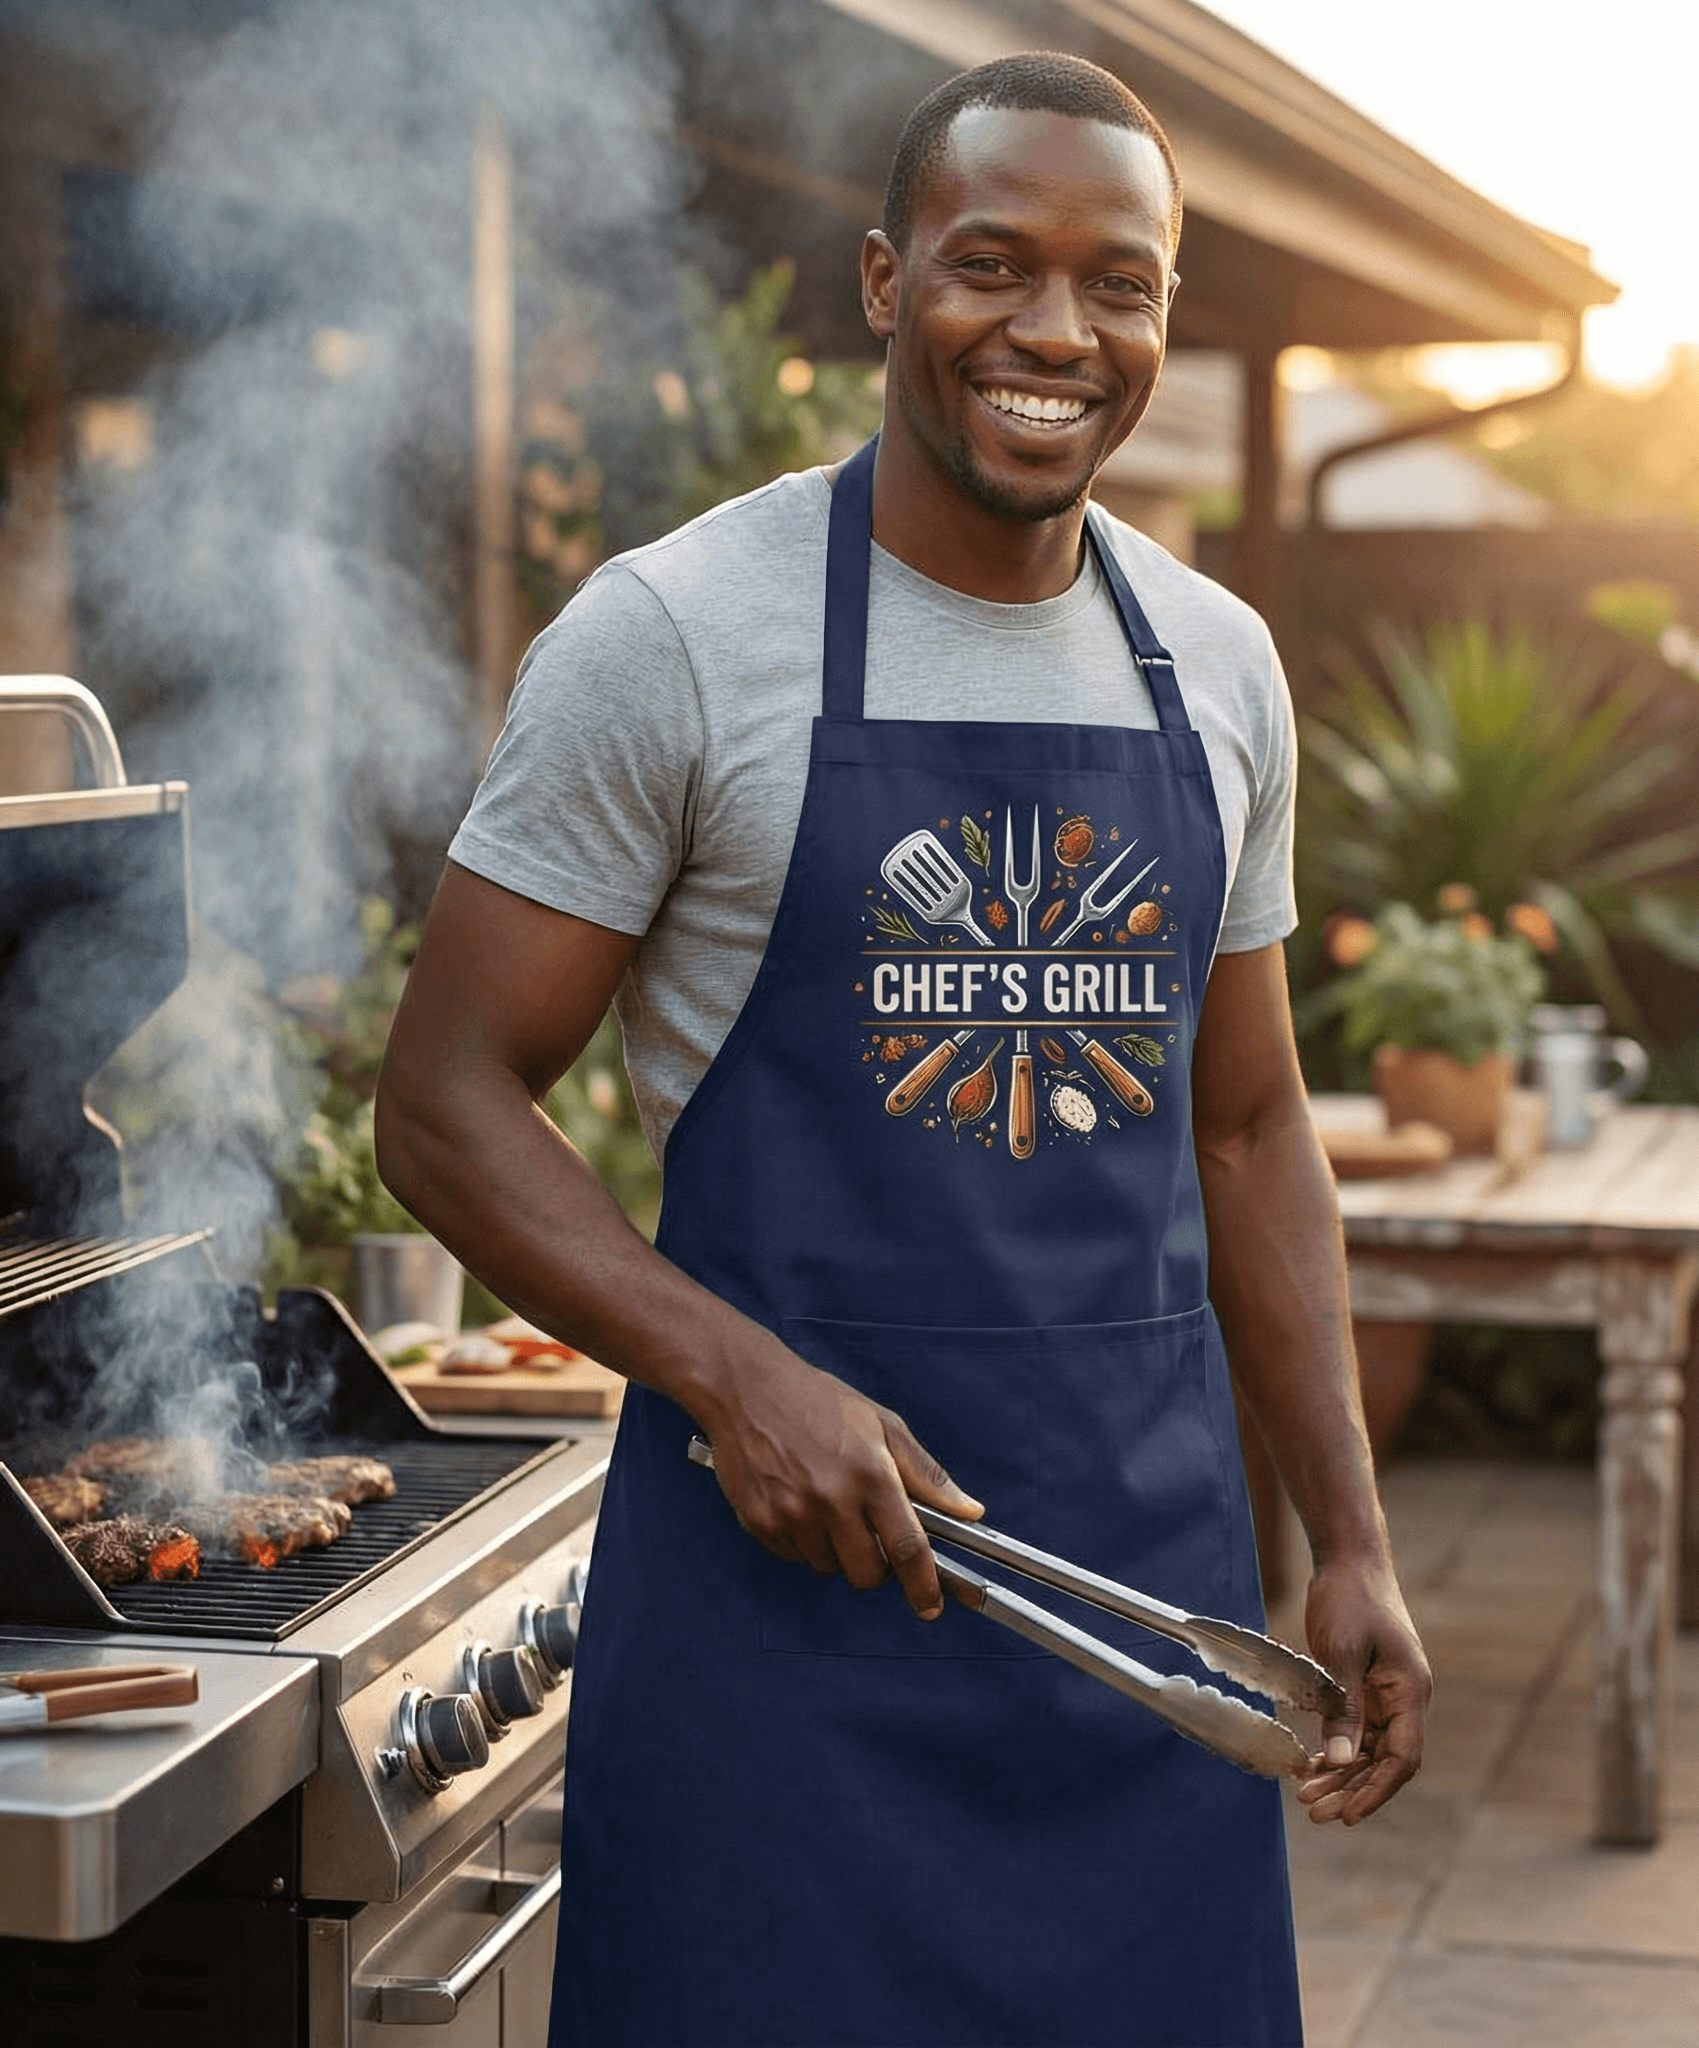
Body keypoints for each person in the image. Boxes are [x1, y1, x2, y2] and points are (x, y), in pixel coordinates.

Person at [377, 50, 1431, 2048]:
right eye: (990, 264)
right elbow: (437, 1104)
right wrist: (731, 1369)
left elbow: (1247, 1124)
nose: (1054, 330)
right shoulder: (676, 635)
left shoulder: (1215, 663)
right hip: (780, 1649)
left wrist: (1354, 1535)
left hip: (1147, 1651)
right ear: (882, 281)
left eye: (1119, 283)